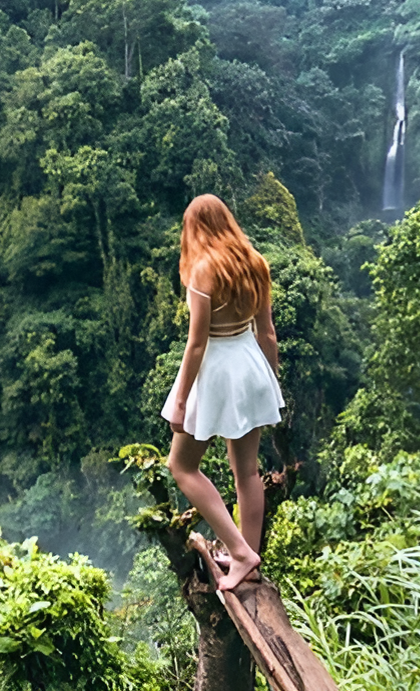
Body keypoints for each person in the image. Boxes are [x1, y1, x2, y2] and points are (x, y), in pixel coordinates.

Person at [160, 193, 283, 591]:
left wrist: (180, 400)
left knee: (181, 466)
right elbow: (267, 333)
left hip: (217, 370)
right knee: (247, 471)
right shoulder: (254, 262)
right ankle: (249, 557)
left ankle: (241, 552)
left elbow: (197, 343)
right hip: (250, 366)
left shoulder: (202, 270)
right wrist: (270, 382)